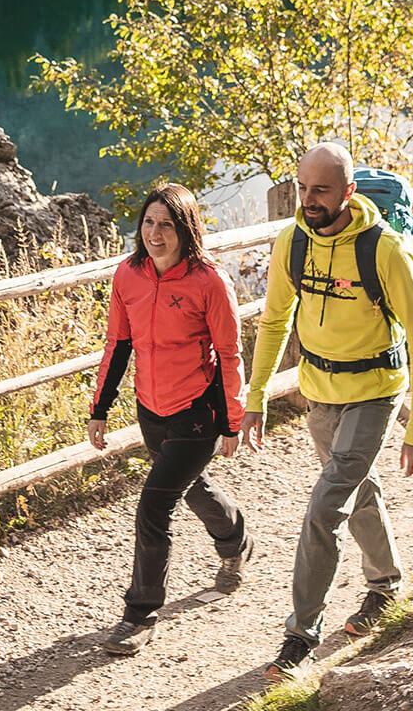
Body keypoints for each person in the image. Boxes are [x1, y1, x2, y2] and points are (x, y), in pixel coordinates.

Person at [241, 142, 413, 681]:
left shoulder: (385, 250)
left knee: (326, 506)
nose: (308, 200)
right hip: (318, 391)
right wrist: (255, 394)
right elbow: (275, 320)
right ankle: (386, 587)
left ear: (348, 191)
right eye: (302, 188)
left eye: (321, 190)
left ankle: (300, 634)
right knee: (357, 487)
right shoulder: (293, 243)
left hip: (376, 389)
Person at [87, 183, 254, 655]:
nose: (155, 234)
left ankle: (140, 614)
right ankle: (237, 540)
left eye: (166, 224)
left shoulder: (208, 280)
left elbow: (228, 353)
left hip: (196, 411)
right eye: (148, 223)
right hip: (150, 409)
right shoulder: (129, 275)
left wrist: (231, 420)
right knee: (190, 486)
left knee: (153, 506)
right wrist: (99, 409)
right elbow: (118, 345)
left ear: (185, 229)